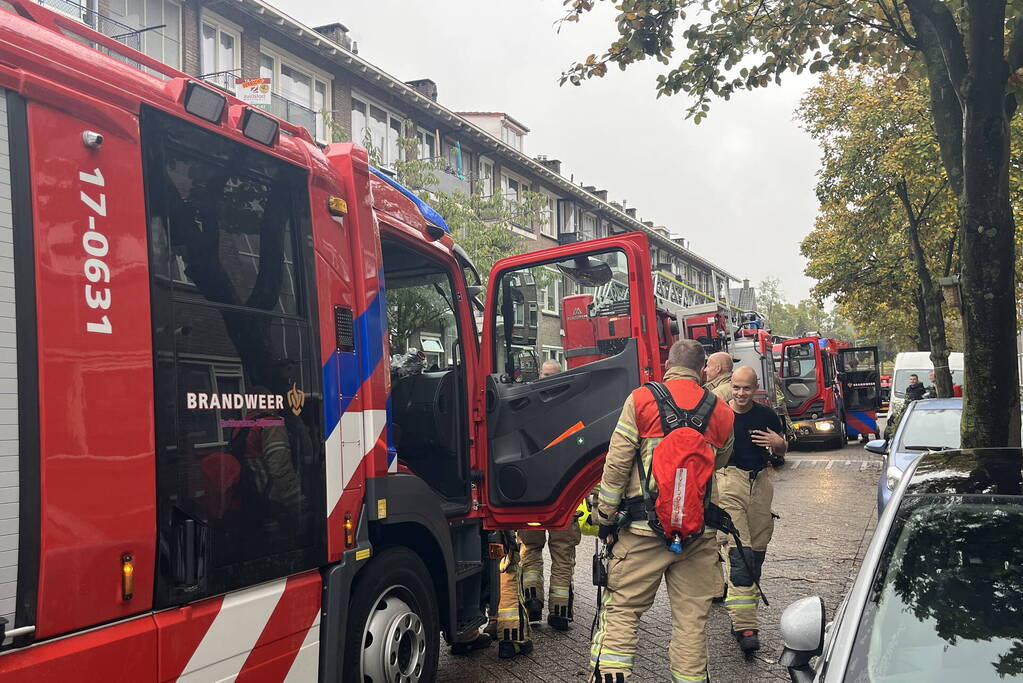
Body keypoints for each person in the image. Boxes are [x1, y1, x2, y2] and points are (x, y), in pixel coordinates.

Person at [590, 340, 735, 683]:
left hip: (641, 531)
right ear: (703, 371)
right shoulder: (721, 410)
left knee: (623, 611)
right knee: (691, 622)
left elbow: (617, 463)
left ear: (667, 364)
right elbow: (721, 461)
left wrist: (606, 517)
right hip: (698, 534)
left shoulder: (641, 400)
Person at [717, 366, 787, 654]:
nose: (740, 393)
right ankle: (746, 626)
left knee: (756, 553)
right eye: (736, 387)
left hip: (760, 484)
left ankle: (741, 611)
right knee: (740, 554)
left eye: (746, 388)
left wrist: (778, 444)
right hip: (728, 482)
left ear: (755, 388)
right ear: (731, 386)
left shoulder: (767, 416)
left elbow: (783, 451)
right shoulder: (719, 414)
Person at [518, 359, 583, 631]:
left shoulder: (525, 407)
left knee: (530, 549)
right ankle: (559, 611)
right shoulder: (572, 409)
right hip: (563, 497)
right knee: (562, 553)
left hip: (531, 497)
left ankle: (532, 603)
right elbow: (581, 449)